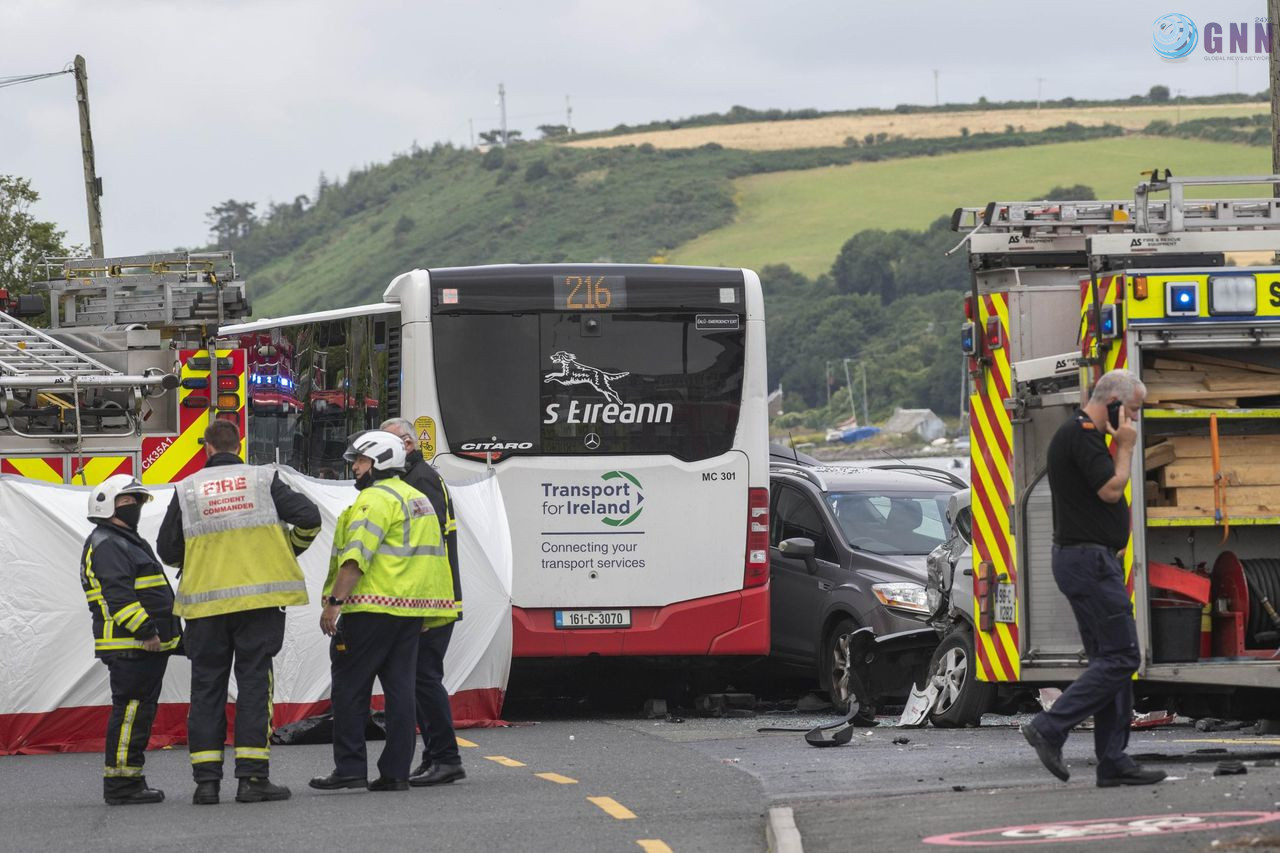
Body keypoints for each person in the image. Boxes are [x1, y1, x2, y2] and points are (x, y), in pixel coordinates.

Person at [157, 419, 321, 805]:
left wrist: (199, 559)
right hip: (258, 605)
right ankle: (252, 779)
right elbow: (309, 519)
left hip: (205, 607)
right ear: (239, 445)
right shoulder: (263, 480)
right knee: (253, 687)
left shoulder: (188, 489)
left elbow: (167, 550)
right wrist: (287, 549)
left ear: (208, 448)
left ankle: (206, 784)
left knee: (206, 691)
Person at [1020, 368, 1166, 788]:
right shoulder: (1083, 434)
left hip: (1087, 561)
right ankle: (1049, 727)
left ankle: (1113, 760)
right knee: (1122, 657)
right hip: (1088, 562)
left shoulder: (1083, 435)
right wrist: (1126, 446)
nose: (1133, 420)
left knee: (1111, 661)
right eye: (1132, 410)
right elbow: (1111, 489)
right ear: (1114, 403)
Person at [310, 430, 460, 793]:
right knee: (401, 693)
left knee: (349, 688)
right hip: (409, 614)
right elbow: (433, 562)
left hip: (370, 610)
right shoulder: (418, 500)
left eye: (361, 461)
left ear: (379, 462)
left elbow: (355, 557)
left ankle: (350, 768)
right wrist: (428, 612)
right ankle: (395, 773)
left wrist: (334, 604)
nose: (355, 468)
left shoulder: (375, 500)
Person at [81, 475, 183, 805]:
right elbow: (119, 597)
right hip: (131, 645)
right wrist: (147, 631)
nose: (134, 507)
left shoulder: (123, 540)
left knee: (137, 713)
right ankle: (122, 785)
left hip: (137, 645)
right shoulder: (109, 543)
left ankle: (130, 779)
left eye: (136, 501)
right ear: (107, 506)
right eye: (127, 502)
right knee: (131, 713)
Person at [379, 417, 465, 786]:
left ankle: (446, 758)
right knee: (418, 680)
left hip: (432, 600)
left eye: (386, 445)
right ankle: (435, 756)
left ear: (408, 445)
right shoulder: (413, 478)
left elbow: (426, 545)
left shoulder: (421, 480)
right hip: (429, 597)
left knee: (424, 679)